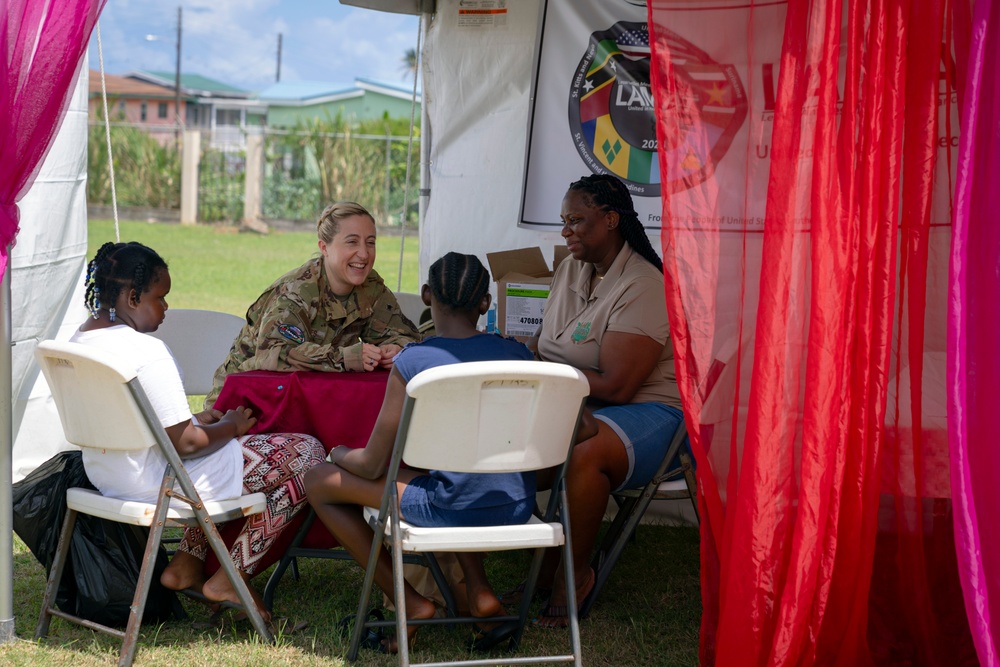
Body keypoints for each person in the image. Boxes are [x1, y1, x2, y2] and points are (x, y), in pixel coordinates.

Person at [71, 241, 326, 625]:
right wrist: (230, 426)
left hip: (110, 478)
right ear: (132, 296)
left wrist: (194, 420)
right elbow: (187, 444)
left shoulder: (78, 342)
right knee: (307, 455)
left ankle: (187, 565)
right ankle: (229, 578)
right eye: (161, 298)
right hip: (164, 480)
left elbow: (135, 421)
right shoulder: (146, 351)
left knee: (254, 462)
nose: (166, 308)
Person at [303, 252, 535, 653]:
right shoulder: (518, 355)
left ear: (427, 295)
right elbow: (577, 430)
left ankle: (410, 602)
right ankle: (480, 593)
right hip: (516, 504)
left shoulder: (415, 362)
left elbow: (374, 463)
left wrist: (338, 452)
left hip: (452, 506)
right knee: (457, 478)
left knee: (318, 481)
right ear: (486, 304)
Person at [528, 174, 684, 628]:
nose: (565, 231)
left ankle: (570, 575)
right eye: (563, 221)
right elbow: (544, 343)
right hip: (578, 400)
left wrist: (546, 375)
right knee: (510, 434)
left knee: (583, 450)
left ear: (611, 220)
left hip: (650, 412)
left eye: (576, 220)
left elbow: (617, 387)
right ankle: (542, 562)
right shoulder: (569, 269)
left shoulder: (643, 283)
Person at [204, 201, 421, 408]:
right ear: (324, 247)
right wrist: (346, 358)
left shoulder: (370, 287)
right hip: (241, 405)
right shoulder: (296, 291)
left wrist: (396, 349)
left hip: (308, 397)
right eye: (352, 242)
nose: (364, 254)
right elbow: (275, 353)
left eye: (370, 242)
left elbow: (405, 335)